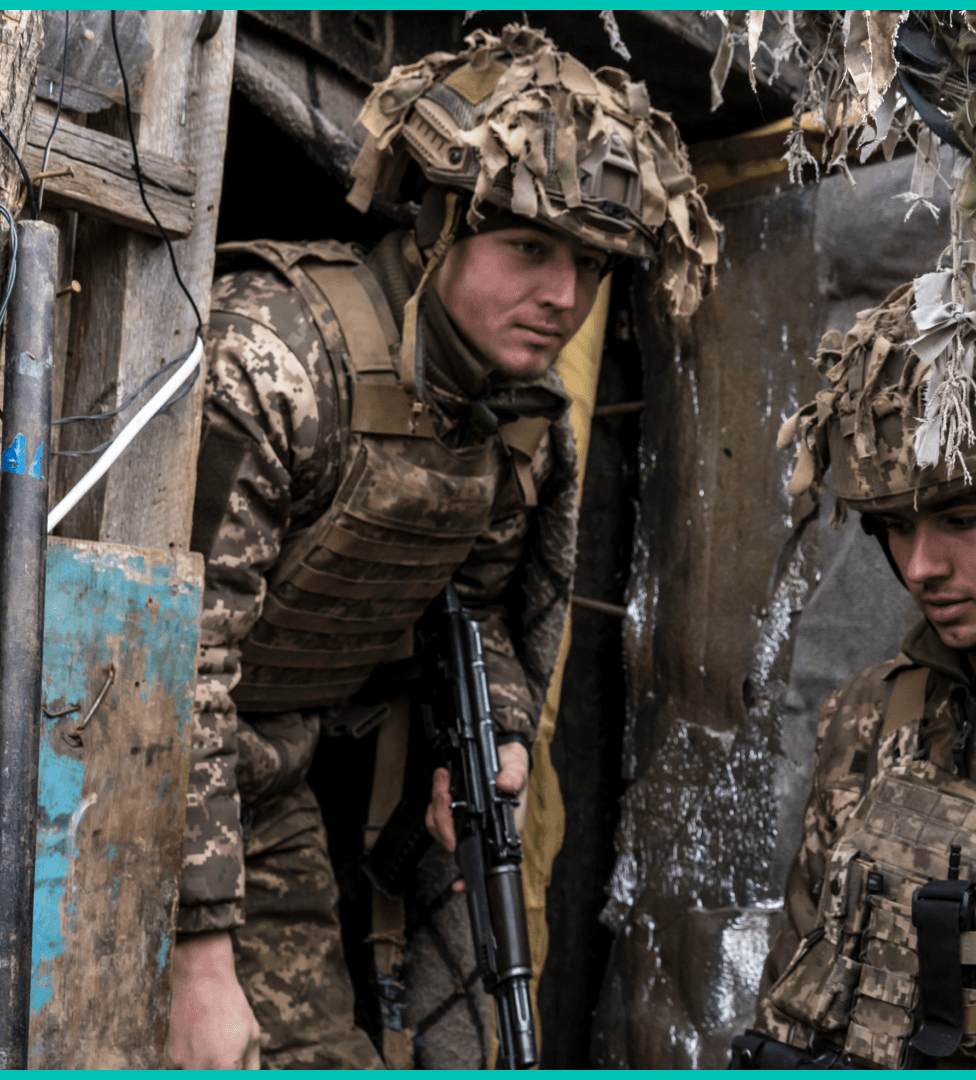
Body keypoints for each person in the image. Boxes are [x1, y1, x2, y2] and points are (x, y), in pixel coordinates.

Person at [171, 25, 718, 1068]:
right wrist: (201, 956)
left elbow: (475, 606)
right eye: (528, 247)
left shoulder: (513, 417)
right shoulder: (277, 357)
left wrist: (499, 729)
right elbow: (172, 663)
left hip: (265, 790)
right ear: (435, 225)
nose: (564, 296)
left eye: (595, 267)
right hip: (123, 773)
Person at [735, 281, 976, 1069]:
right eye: (895, 528)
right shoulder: (867, 715)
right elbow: (795, 983)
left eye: (957, 521)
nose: (922, 567)